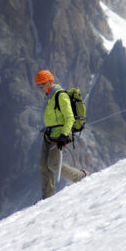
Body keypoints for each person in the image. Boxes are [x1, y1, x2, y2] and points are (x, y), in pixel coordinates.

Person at [35, 69, 87, 199]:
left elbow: (69, 117)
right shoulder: (50, 96)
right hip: (49, 135)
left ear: (50, 82)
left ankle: (80, 176)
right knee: (43, 165)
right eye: (39, 85)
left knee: (53, 164)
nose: (40, 87)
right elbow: (54, 118)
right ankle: (48, 197)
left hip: (59, 136)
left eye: (42, 84)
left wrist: (64, 135)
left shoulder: (60, 96)